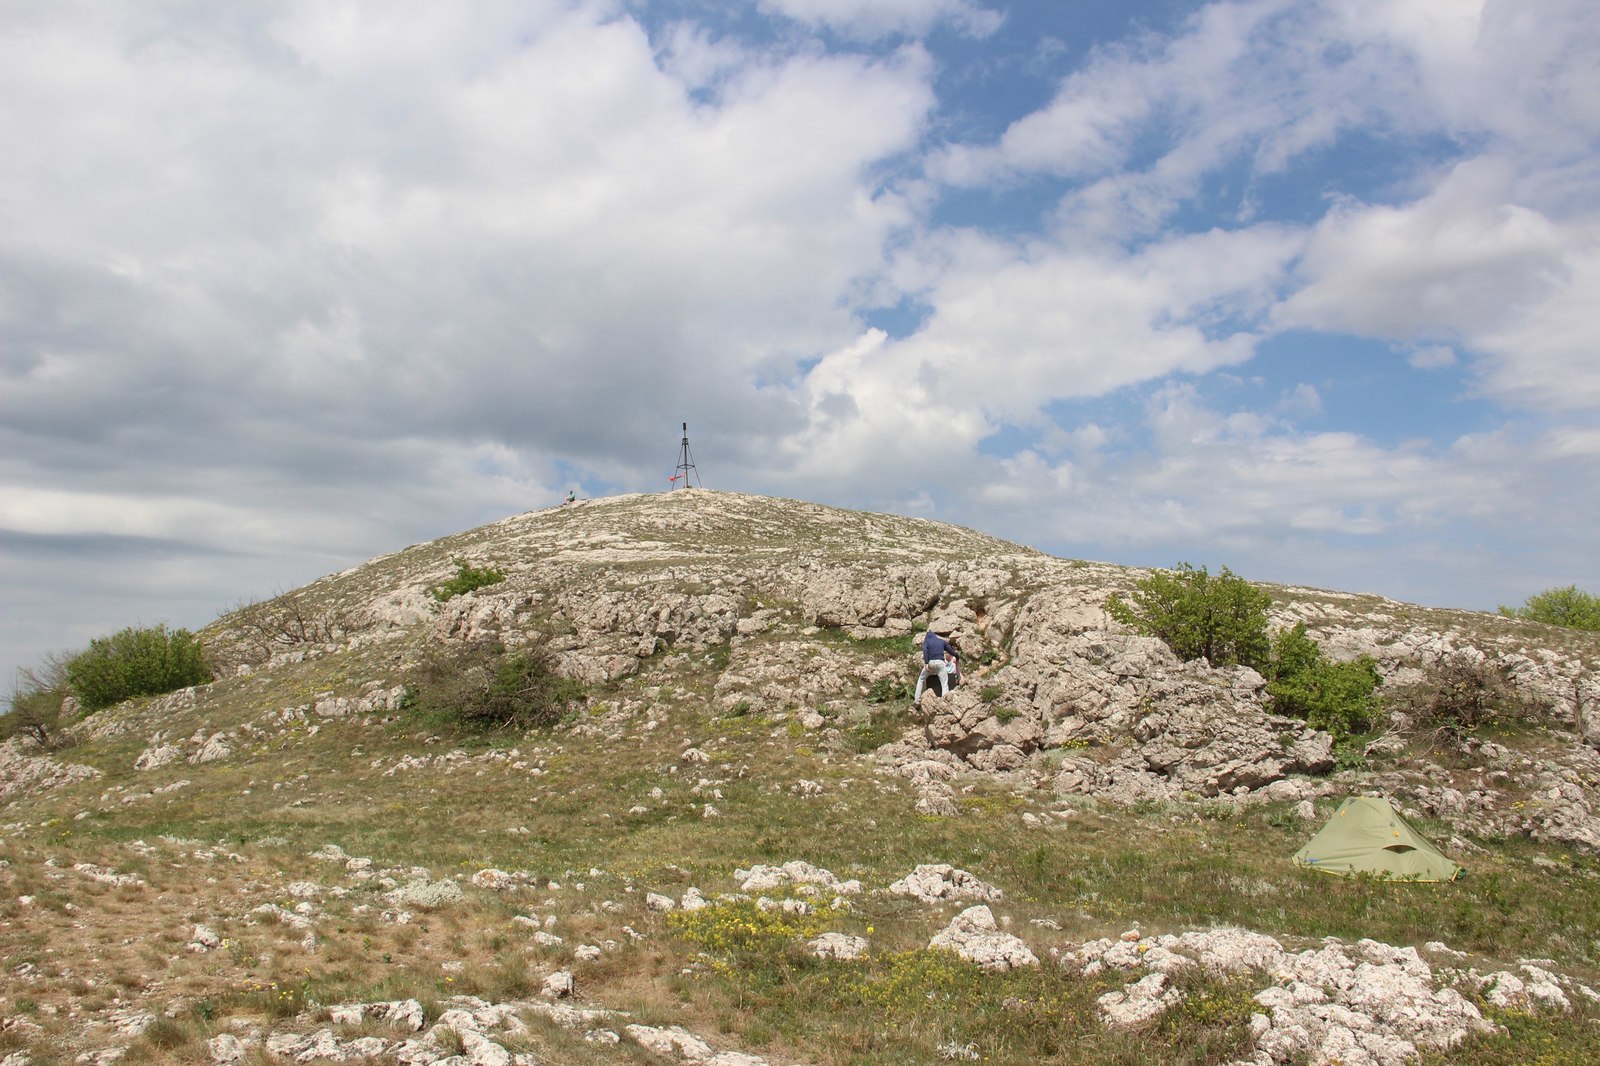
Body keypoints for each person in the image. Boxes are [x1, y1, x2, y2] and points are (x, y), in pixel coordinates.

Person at [913, 628, 960, 707]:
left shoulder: (927, 641)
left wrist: (926, 662)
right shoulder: (941, 641)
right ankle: (945, 703)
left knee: (921, 679)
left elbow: (925, 650)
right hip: (940, 663)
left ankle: (917, 701)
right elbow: (950, 650)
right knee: (944, 683)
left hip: (930, 663)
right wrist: (957, 656)